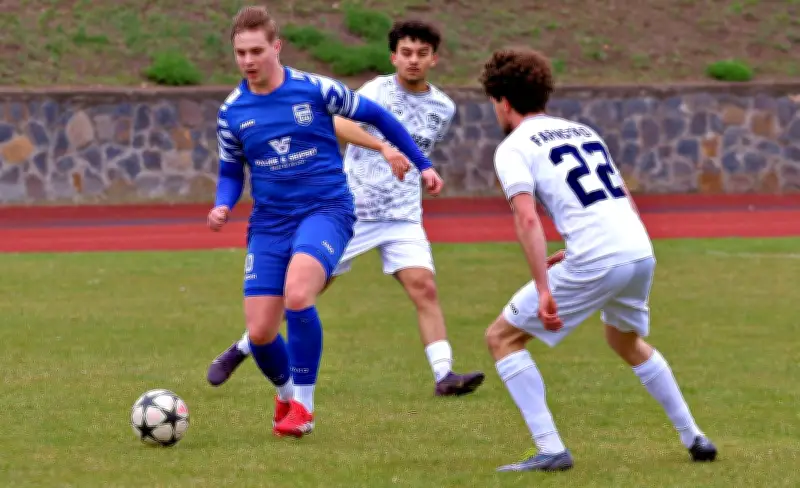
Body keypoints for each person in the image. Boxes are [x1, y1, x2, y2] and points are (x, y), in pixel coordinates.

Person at [208, 19, 485, 397]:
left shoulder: (444, 107)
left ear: (434, 59)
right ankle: (247, 345)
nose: (414, 61)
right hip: (352, 207)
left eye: (422, 54)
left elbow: (417, 144)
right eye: (406, 53)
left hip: (402, 213)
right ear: (394, 56)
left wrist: (424, 167)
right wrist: (383, 147)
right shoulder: (375, 90)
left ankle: (444, 375)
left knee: (425, 287)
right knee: (299, 294)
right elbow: (334, 122)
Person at [478, 48, 717, 472]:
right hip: (638, 248)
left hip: (601, 256)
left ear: (503, 101)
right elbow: (620, 198)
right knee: (623, 340)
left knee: (502, 338)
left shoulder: (513, 147)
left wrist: (543, 287)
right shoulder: (582, 131)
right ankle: (694, 436)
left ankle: (551, 449)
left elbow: (527, 217)